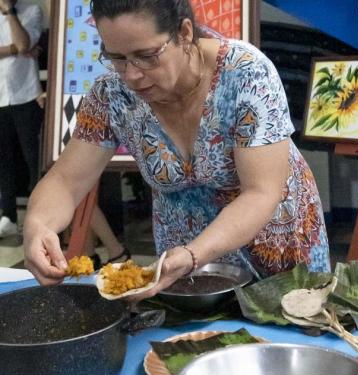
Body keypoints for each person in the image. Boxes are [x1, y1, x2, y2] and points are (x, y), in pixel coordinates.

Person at [23, 0, 330, 300]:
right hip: (185, 268)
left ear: (184, 33)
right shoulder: (112, 95)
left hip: (275, 252)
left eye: (146, 56)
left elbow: (261, 192)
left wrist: (193, 254)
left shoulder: (245, 74)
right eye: (116, 57)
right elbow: (66, 180)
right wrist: (38, 225)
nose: (131, 74)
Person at [0, 0, 43, 237]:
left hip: (27, 95)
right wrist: (16, 49)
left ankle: (40, 216)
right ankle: (8, 215)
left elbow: (24, 41)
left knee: (33, 158)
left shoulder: (32, 10)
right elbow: (21, 45)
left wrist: (9, 12)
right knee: (3, 160)